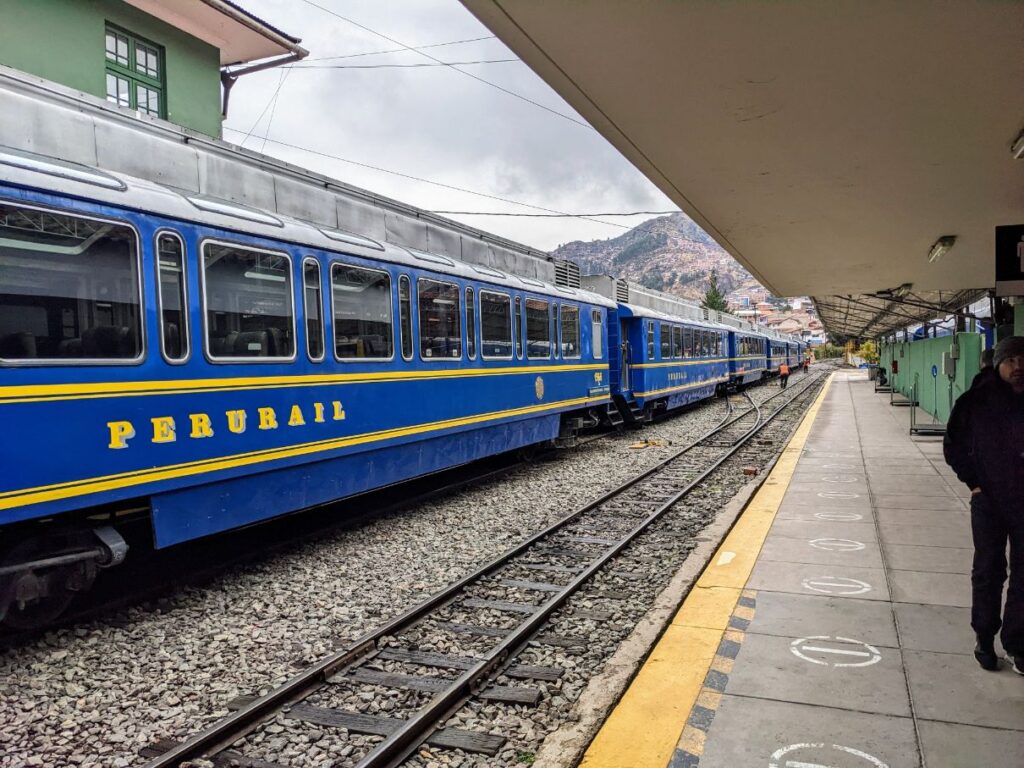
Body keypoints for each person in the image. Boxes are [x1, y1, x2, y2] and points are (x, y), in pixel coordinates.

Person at [944, 336, 1024, 674]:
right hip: (989, 500)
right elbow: (954, 445)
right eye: (1011, 361)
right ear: (998, 363)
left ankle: (1018, 643)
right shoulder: (975, 401)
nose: (1019, 367)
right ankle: (984, 636)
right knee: (989, 571)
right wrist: (973, 483)